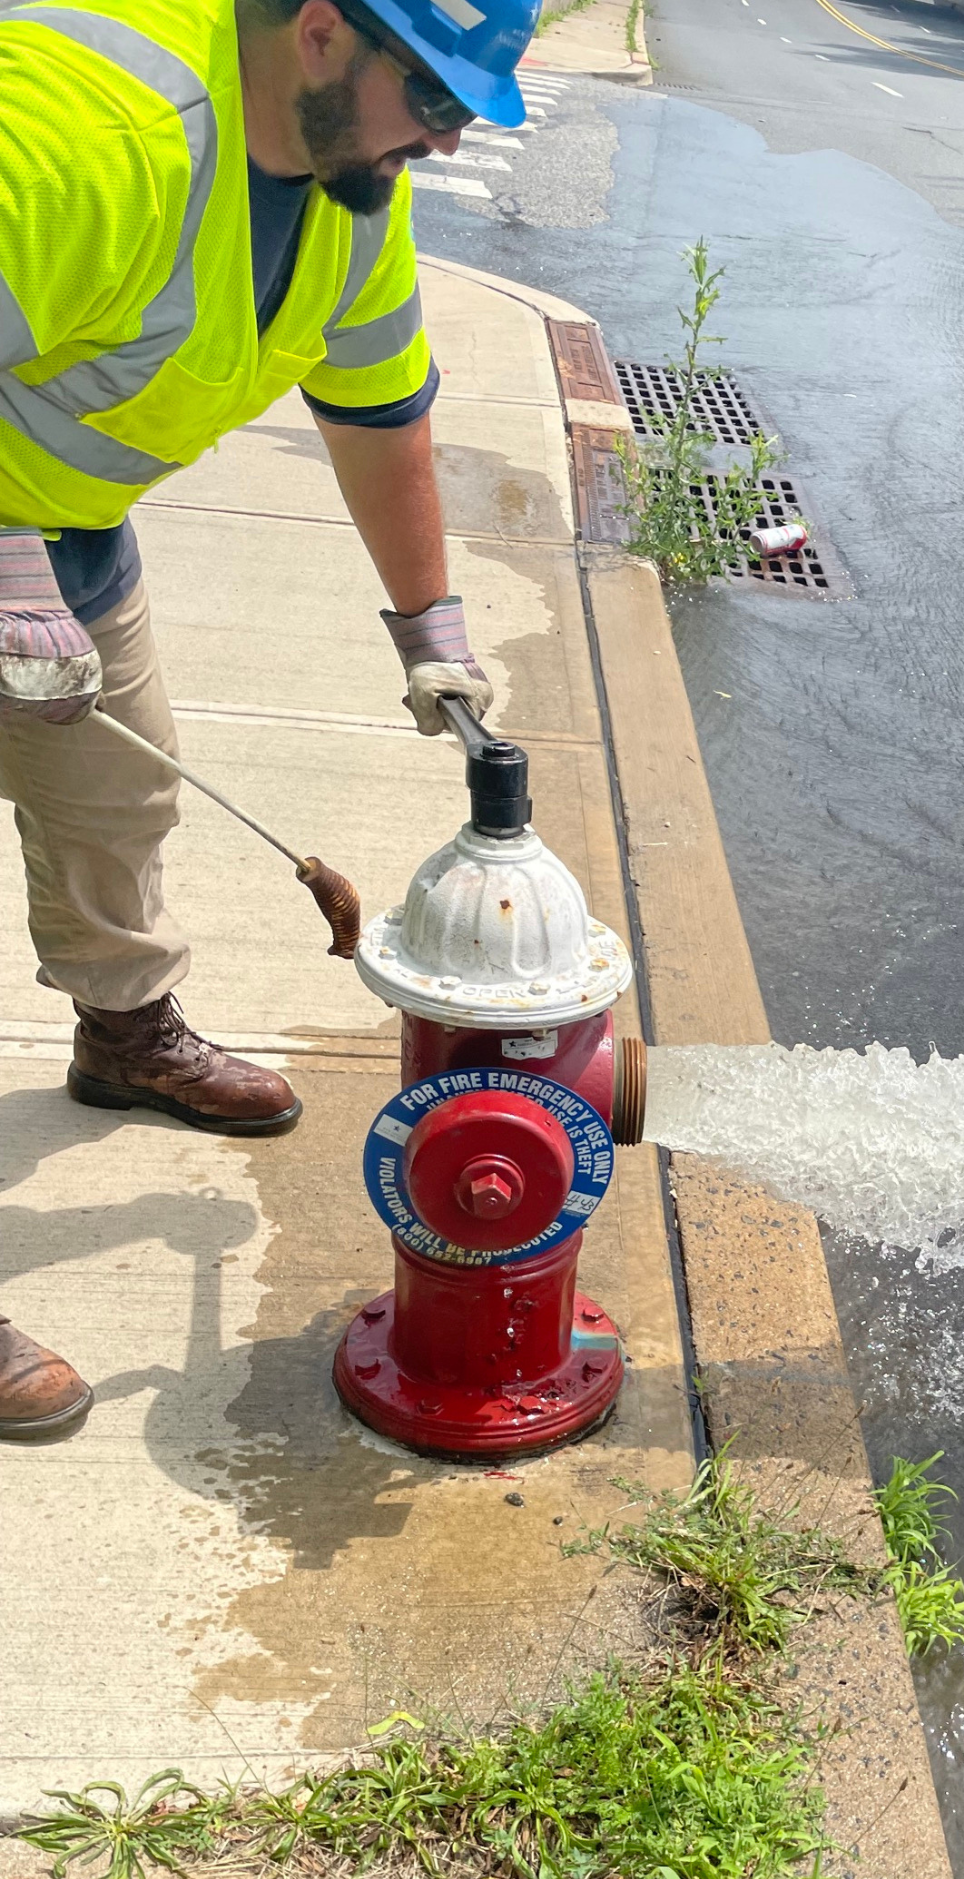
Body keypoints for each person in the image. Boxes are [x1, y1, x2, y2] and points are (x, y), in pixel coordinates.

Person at [0, 0, 537, 1439]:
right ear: (317, 34)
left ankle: (124, 1034)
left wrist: (429, 629)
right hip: (12, 537)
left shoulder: (354, 190)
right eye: (432, 89)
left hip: (63, 533)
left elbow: (379, 408)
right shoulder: (77, 123)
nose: (453, 131)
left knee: (114, 808)